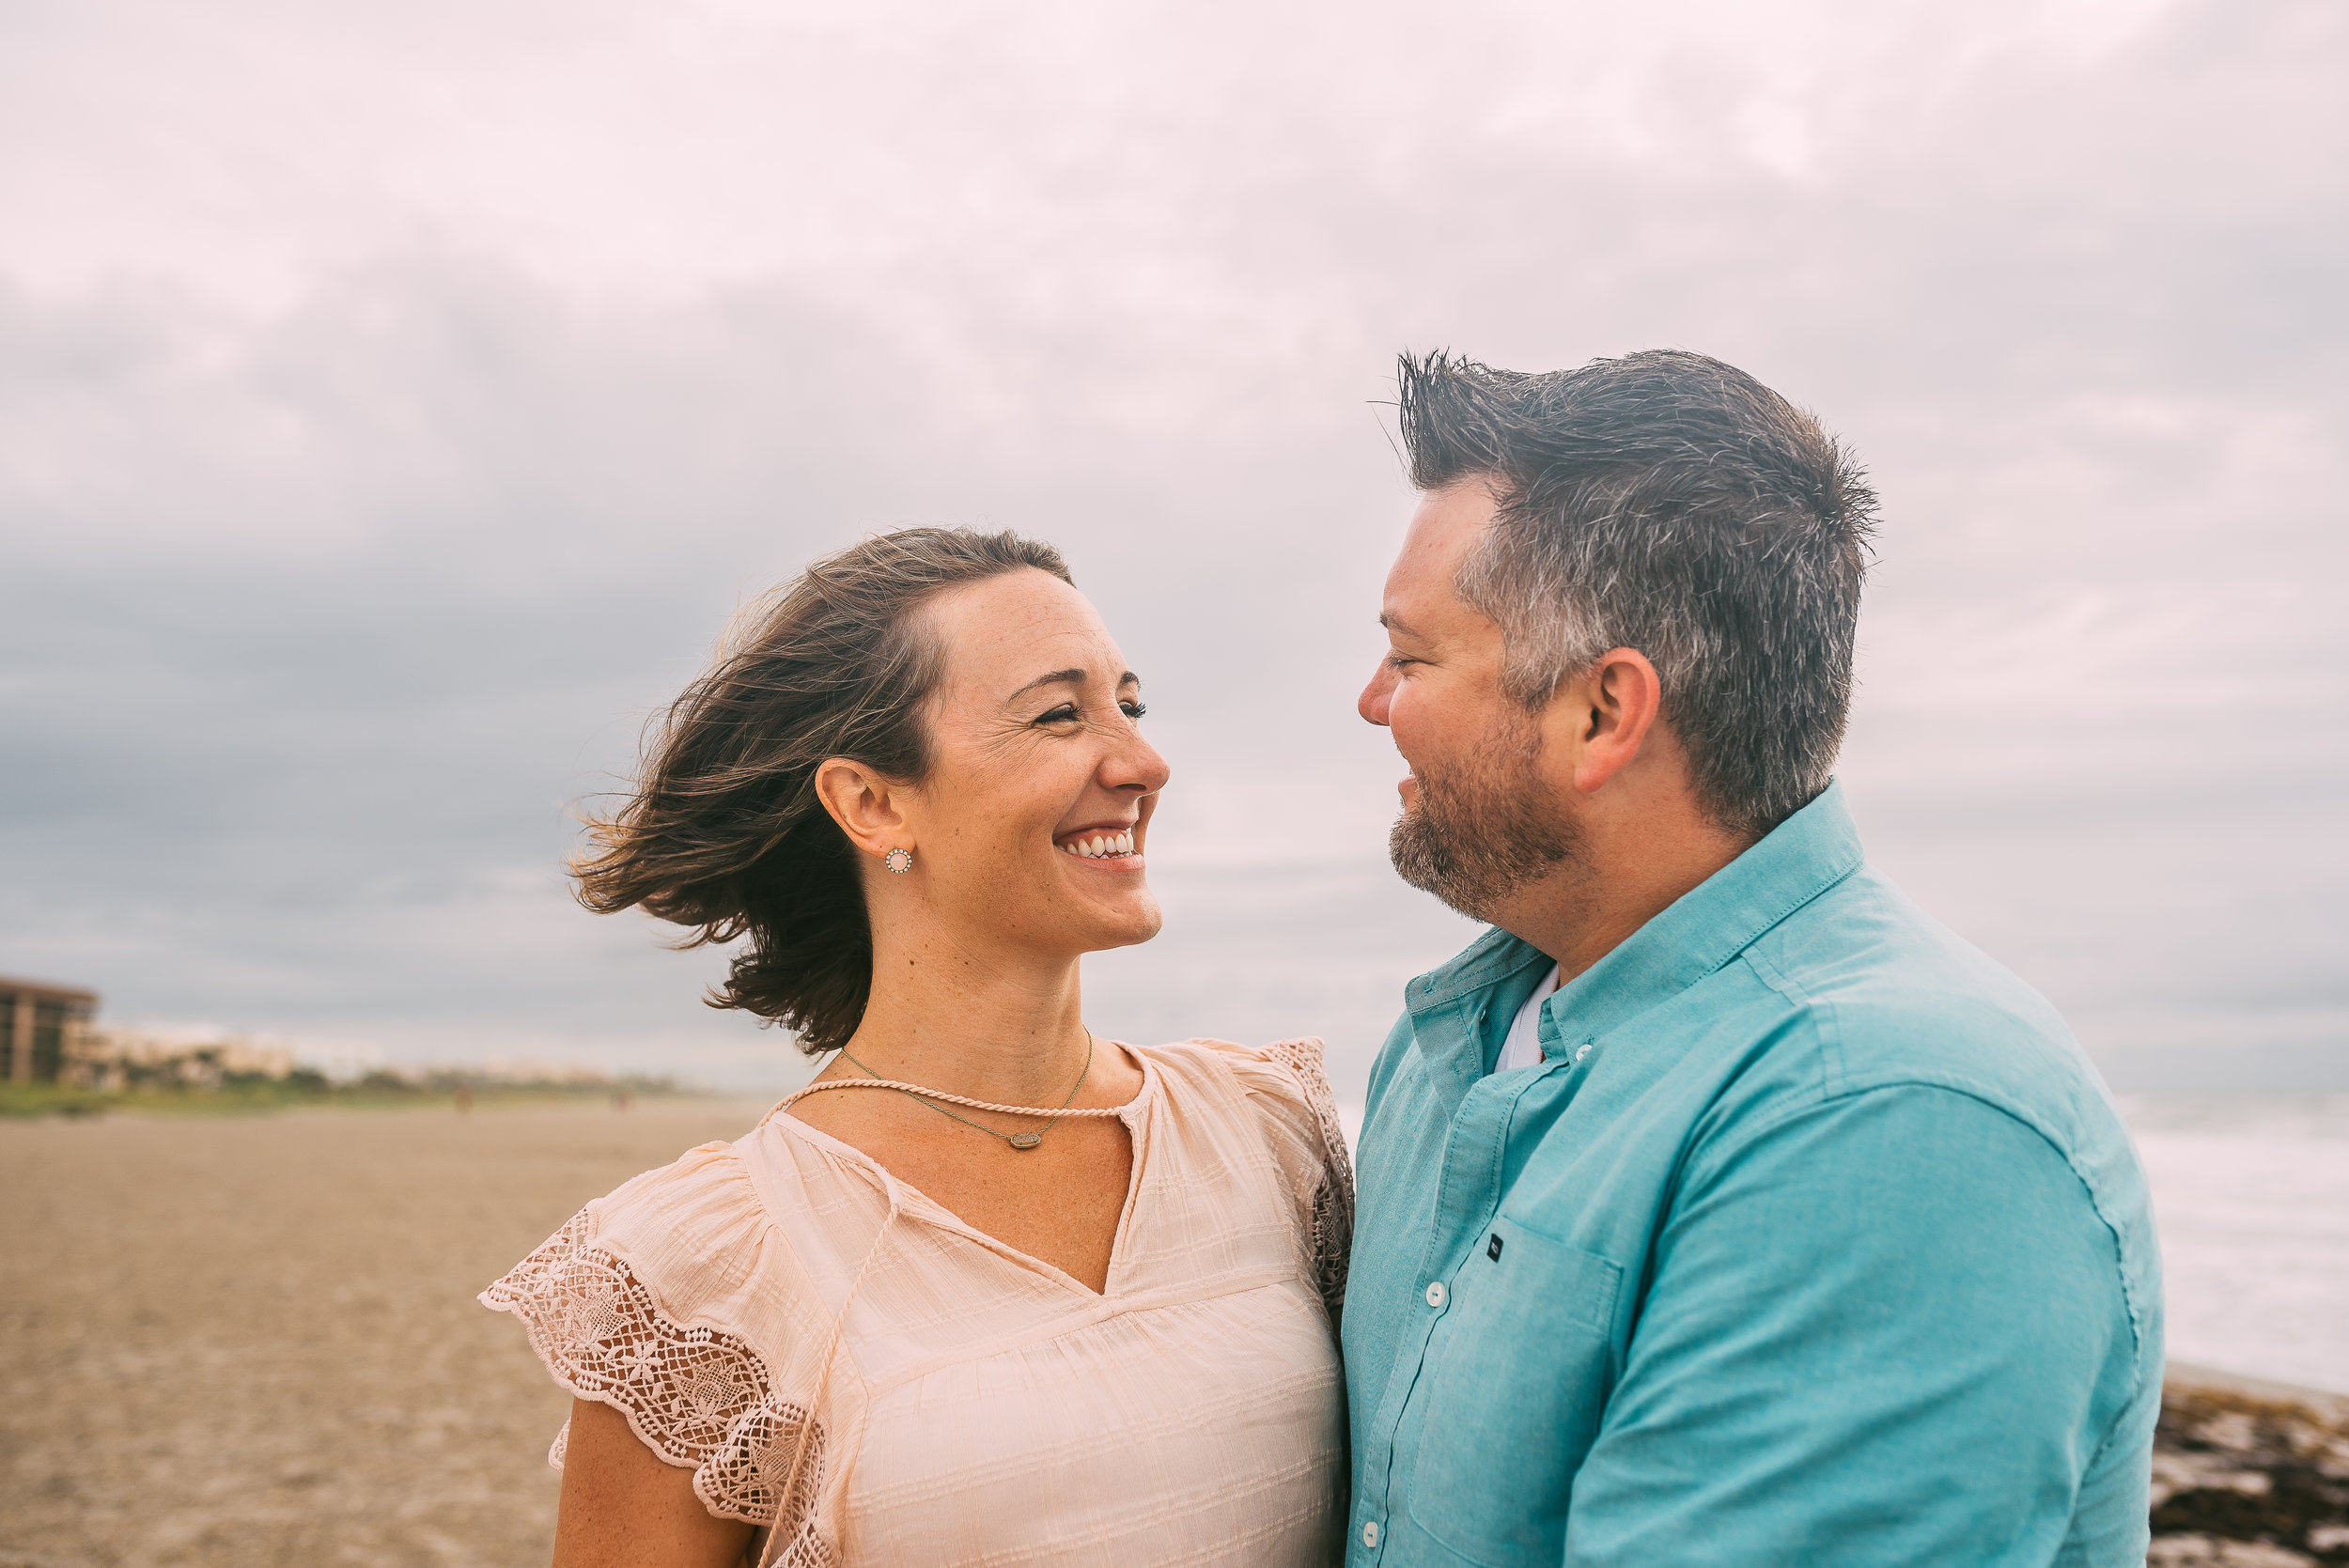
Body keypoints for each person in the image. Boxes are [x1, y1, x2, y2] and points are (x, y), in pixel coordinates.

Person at [1342, 350, 2162, 1566]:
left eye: (1411, 658)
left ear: (1603, 714)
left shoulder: (1887, 1117)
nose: (1372, 702)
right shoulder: (1438, 1054)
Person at [482, 529, 1352, 1567]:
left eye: (1131, 704)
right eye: (1059, 713)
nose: (1142, 761)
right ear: (873, 801)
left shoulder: (1266, 1134)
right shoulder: (707, 1263)